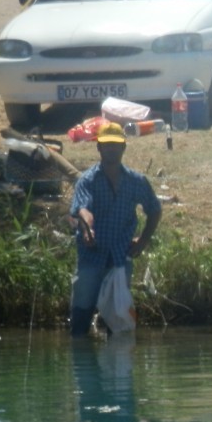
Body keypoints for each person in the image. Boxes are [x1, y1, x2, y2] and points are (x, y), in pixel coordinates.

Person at [68, 121, 162, 336]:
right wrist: (87, 229)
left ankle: (118, 365)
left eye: (116, 144)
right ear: (99, 147)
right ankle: (82, 362)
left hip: (120, 258)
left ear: (123, 148)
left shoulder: (136, 181)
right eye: (107, 144)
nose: (111, 149)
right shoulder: (88, 180)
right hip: (91, 257)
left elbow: (154, 210)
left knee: (118, 322)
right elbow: (83, 209)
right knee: (81, 315)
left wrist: (143, 240)